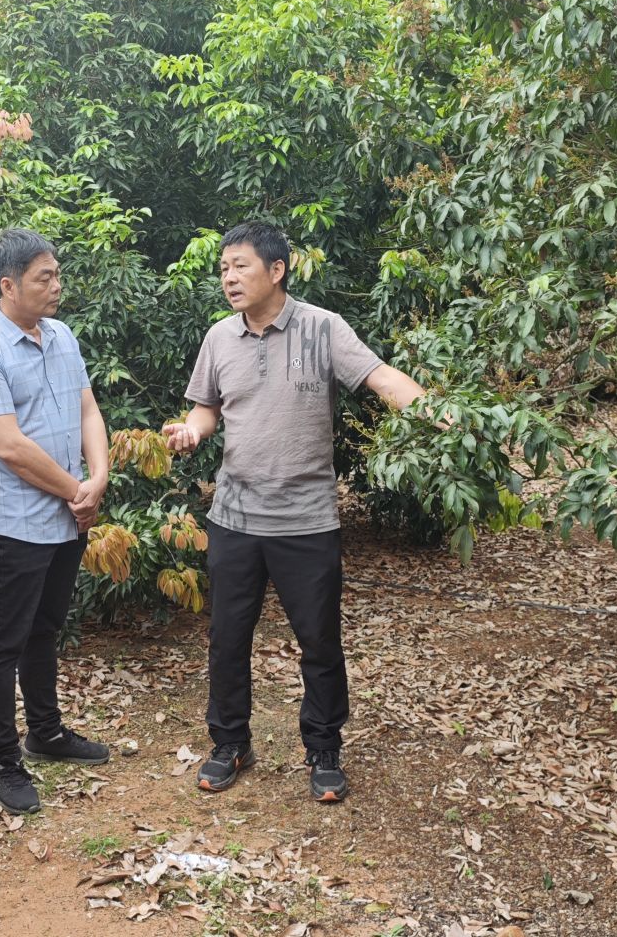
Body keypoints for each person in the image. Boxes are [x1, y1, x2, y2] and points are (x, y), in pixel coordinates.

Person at [163, 220, 428, 804]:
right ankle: (230, 741)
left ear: (277, 270)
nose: (229, 277)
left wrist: (438, 414)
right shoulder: (219, 338)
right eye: (224, 268)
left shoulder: (322, 328)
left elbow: (381, 377)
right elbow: (207, 410)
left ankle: (323, 746)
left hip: (307, 520)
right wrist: (190, 431)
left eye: (241, 266)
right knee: (227, 638)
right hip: (233, 516)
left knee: (319, 641)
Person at [0, 228, 112, 815]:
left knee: (47, 630)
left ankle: (46, 733)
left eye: (56, 274)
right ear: (8, 285)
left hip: (70, 517)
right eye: (44, 278)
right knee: (5, 641)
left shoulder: (63, 337)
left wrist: (98, 477)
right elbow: (9, 446)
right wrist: (78, 490)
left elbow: (87, 407)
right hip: (19, 523)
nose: (56, 286)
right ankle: (2, 757)